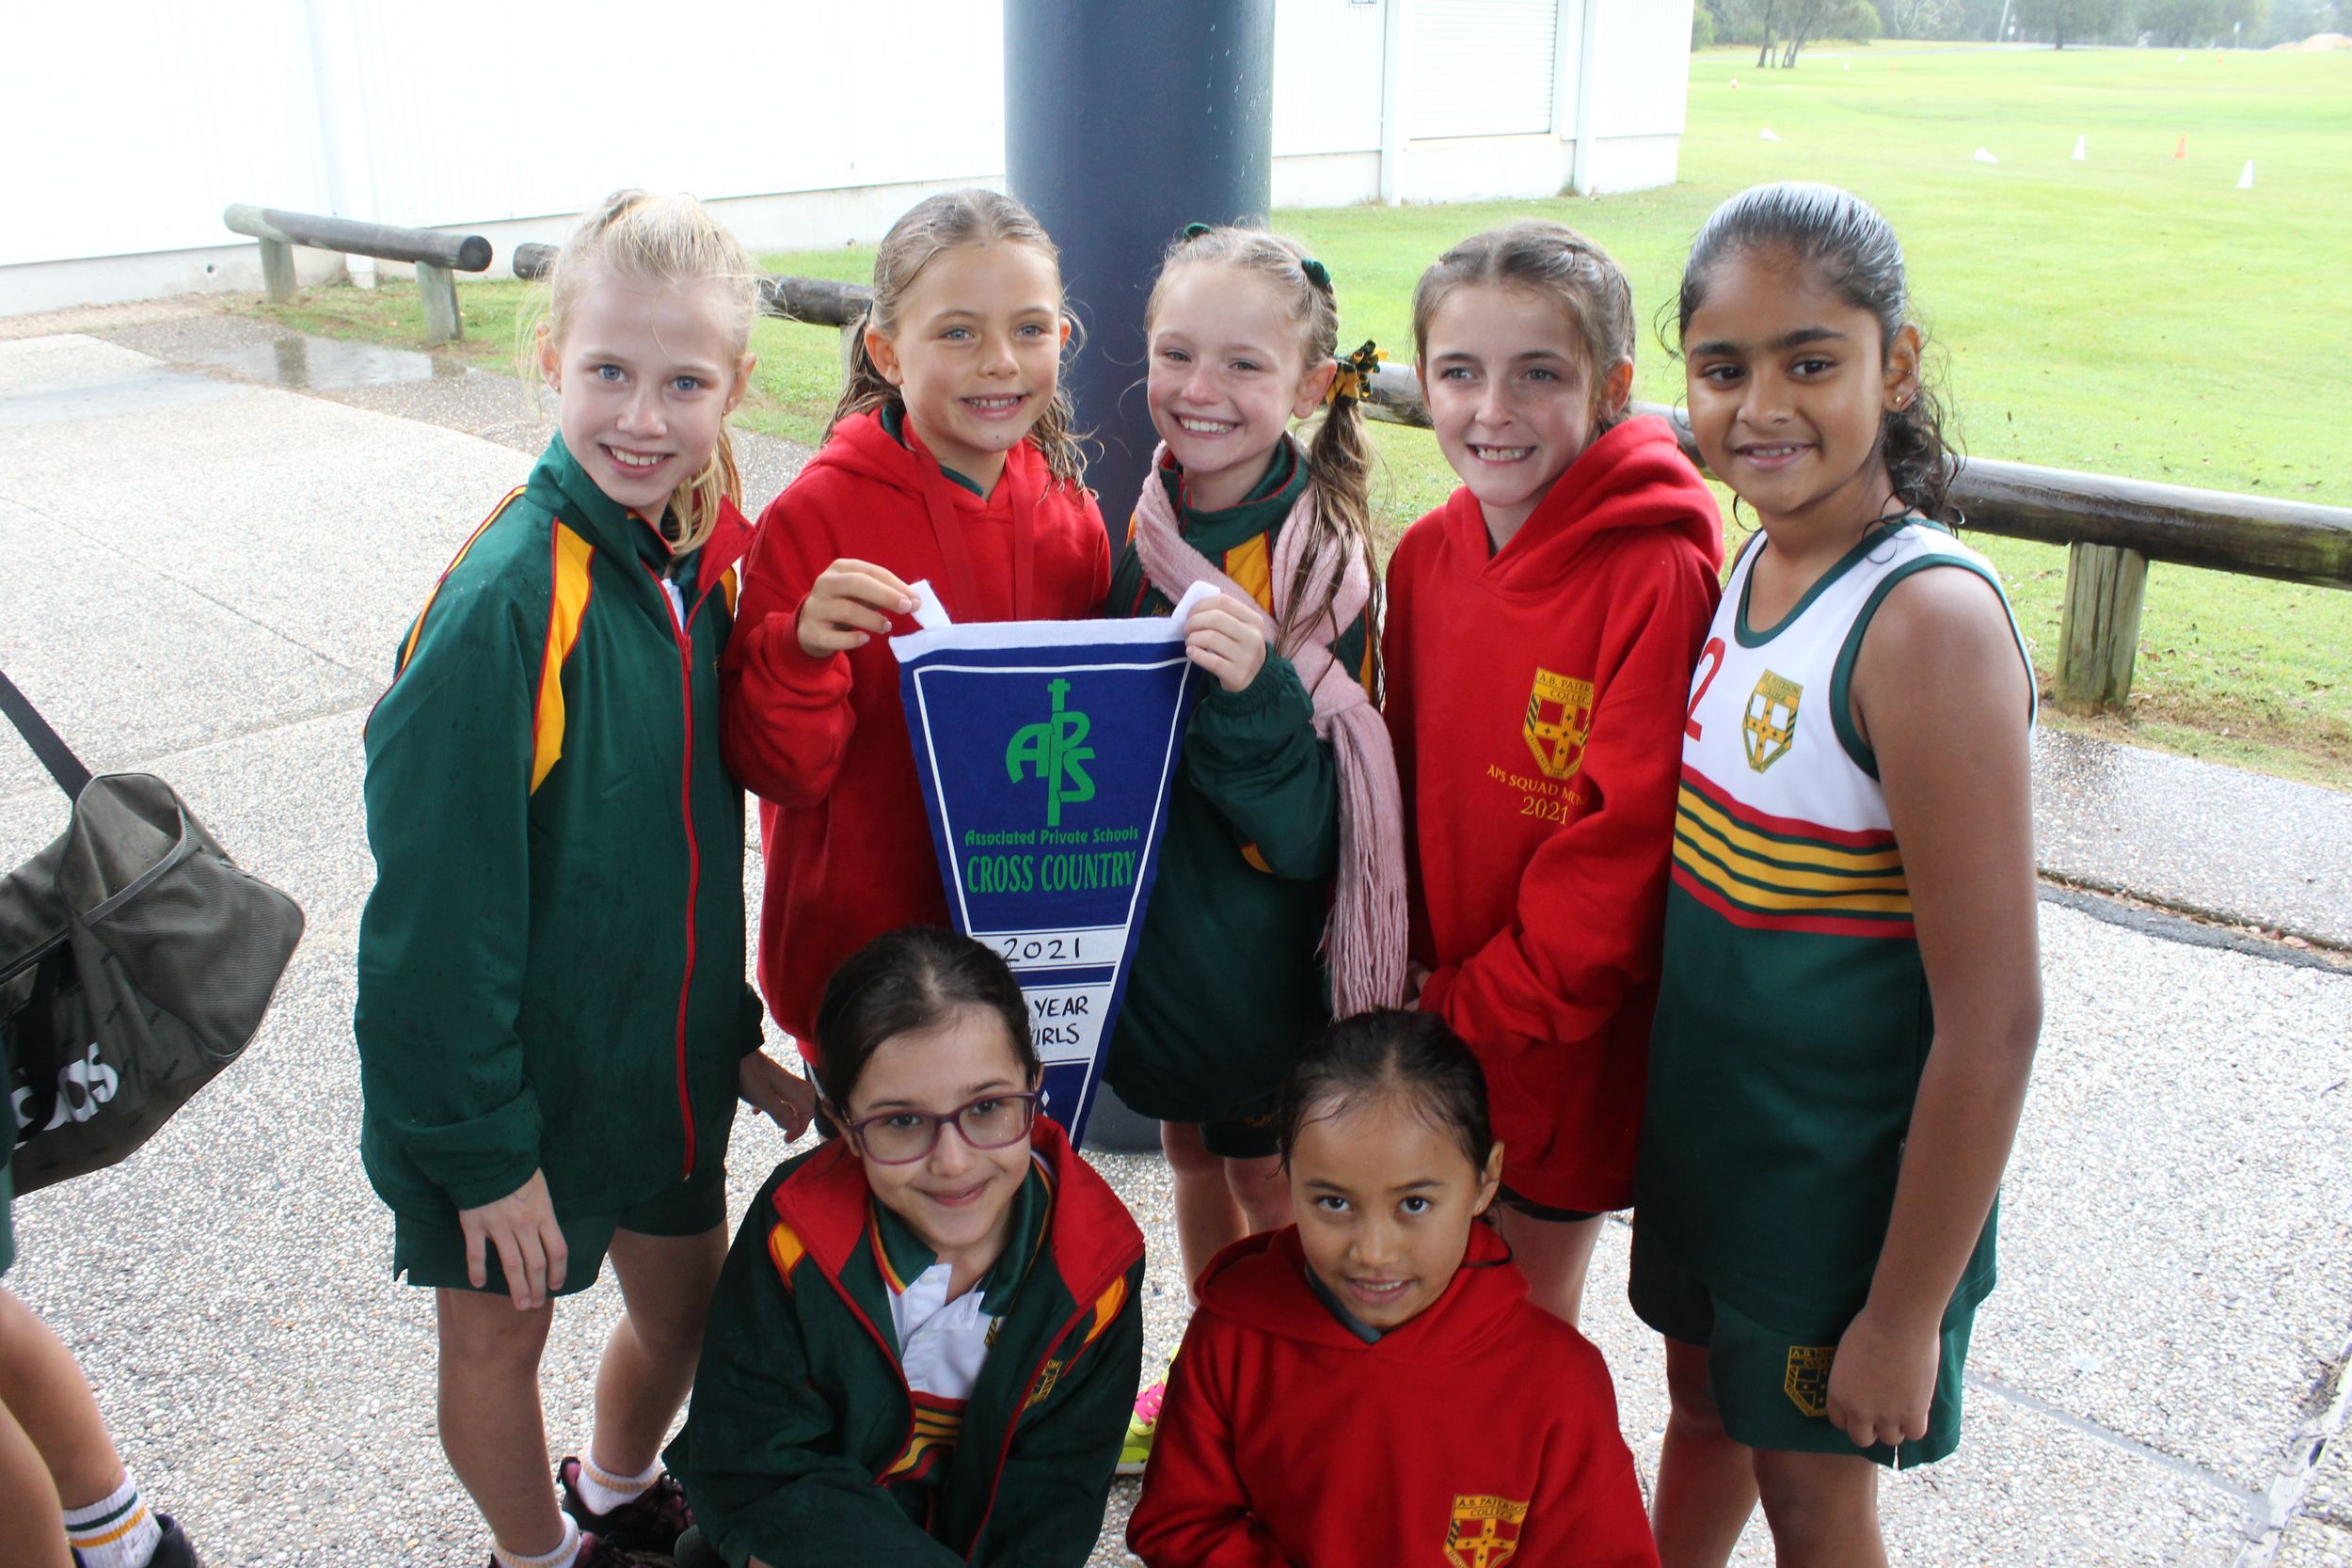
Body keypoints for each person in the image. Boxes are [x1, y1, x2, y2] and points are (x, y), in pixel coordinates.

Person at [355, 189, 811, 1568]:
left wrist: (730, 1036)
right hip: (513, 1093)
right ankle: (536, 1553)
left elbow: (679, 852)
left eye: (684, 383)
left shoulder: (690, 561)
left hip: (657, 1071)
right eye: (608, 370)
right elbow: (431, 922)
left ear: (736, 387)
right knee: (499, 1344)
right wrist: (482, 1151)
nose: (642, 416)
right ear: (550, 357)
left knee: (689, 1314)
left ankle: (612, 1488)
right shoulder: (511, 596)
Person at [1634, 182, 2041, 1568]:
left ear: (1896, 364)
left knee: (1814, 1499)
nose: (1763, 406)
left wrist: (1904, 1310)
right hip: (1720, 1145)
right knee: (1703, 1408)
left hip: (1840, 1189)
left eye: (1811, 362)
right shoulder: (1756, 557)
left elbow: (1996, 1018)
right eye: (1722, 368)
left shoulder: (1924, 621)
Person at [1383, 221, 1724, 1326]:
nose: (1493, 409)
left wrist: (1471, 1005)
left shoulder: (1654, 573)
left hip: (1554, 1050)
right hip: (1431, 1026)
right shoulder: (1423, 559)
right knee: (1420, 1306)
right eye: (1459, 373)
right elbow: (1399, 789)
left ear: (1612, 386)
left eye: (1538, 374)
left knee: (1516, 1324)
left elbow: (1622, 859)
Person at [1103, 225, 1404, 1469]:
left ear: (1313, 384)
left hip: (1269, 959)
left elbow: (1318, 832)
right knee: (1188, 1153)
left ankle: (1299, 1409)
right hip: (1173, 943)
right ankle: (1215, 1371)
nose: (1200, 390)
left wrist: (1252, 690)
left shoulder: (1322, 567)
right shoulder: (1146, 523)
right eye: (1176, 354)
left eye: (1243, 364)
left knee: (1278, 1187)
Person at [722, 189, 1112, 1066]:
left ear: (1062, 338)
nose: (999, 362)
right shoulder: (813, 520)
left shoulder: (1074, 518)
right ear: (887, 352)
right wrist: (799, 652)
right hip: (864, 984)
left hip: (1030, 976)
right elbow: (775, 768)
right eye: (958, 332)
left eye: (1029, 329)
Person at [666, 927, 1145, 1567]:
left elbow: (1055, 1500)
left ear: (1034, 1090)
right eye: (901, 1120)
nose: (953, 1162)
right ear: (844, 1125)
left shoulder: (1096, 1270)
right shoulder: (794, 1233)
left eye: (987, 1107)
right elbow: (751, 1460)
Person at [1126, 1009, 1656, 1568]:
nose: (1373, 1252)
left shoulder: (1557, 1381)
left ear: (1486, 1178)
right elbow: (1181, 1524)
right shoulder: (1232, 1339)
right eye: (1334, 1202)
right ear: (1289, 1175)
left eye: (1414, 1204)